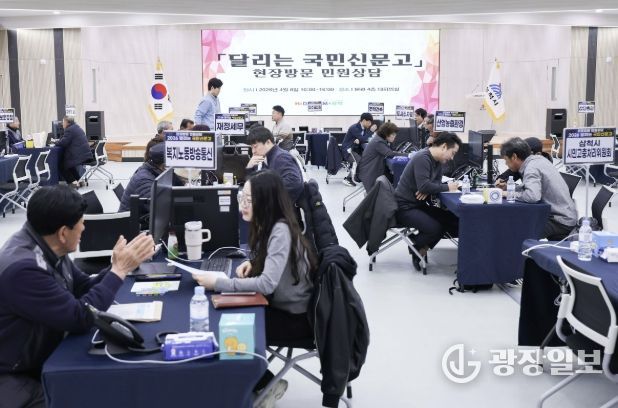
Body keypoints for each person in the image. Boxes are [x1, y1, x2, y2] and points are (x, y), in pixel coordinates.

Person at [0, 186, 155, 408]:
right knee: (80, 396)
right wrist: (119, 270)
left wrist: (116, 266)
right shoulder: (24, 270)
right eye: (81, 223)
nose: (84, 227)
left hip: (35, 357)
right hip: (12, 374)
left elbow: (82, 287)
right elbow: (80, 317)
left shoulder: (46, 243)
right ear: (63, 233)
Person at [192, 170, 317, 407]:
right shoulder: (274, 224)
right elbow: (274, 264)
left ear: (266, 202)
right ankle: (262, 381)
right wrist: (255, 262)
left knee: (227, 329)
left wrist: (218, 282)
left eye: (249, 200)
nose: (243, 204)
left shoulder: (280, 231)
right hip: (287, 307)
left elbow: (266, 283)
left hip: (297, 319)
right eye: (242, 197)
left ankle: (264, 384)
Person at [395, 132, 461, 271]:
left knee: (450, 219)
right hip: (404, 207)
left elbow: (432, 184)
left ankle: (421, 246)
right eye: (453, 153)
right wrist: (447, 187)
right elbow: (426, 186)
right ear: (444, 147)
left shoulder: (437, 161)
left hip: (418, 204)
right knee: (435, 228)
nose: (452, 157)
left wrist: (427, 188)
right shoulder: (423, 158)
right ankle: (416, 246)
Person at [499, 137, 577, 240]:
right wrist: (511, 188)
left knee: (517, 233)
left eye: (506, 160)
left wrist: (507, 194)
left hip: (560, 221)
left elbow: (532, 196)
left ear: (514, 157)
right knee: (517, 222)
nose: (506, 164)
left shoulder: (531, 168)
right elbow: (531, 188)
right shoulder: (538, 160)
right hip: (563, 214)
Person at [245, 126, 304, 203]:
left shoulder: (280, 157)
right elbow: (253, 183)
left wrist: (265, 190)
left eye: (255, 147)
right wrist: (249, 167)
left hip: (282, 206)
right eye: (252, 148)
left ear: (268, 142)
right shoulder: (266, 157)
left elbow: (294, 182)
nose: (253, 151)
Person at [357, 122, 409, 191]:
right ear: (386, 134)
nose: (395, 136)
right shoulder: (378, 142)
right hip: (369, 174)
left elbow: (388, 152)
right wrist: (409, 155)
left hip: (369, 171)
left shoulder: (379, 139)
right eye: (393, 134)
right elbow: (389, 154)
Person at [119, 142, 166, 214]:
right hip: (132, 220)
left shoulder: (152, 170)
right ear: (164, 166)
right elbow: (158, 210)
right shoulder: (144, 181)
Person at [55, 116, 93, 186]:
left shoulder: (69, 130)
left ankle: (72, 182)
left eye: (63, 122)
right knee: (69, 165)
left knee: (62, 165)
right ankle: (79, 180)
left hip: (79, 155)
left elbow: (64, 143)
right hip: (84, 154)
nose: (62, 124)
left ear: (67, 122)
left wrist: (55, 142)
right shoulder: (77, 127)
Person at [341, 113, 373, 186]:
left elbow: (363, 139)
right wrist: (371, 132)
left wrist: (360, 140)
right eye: (369, 122)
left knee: (363, 160)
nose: (370, 124)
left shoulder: (363, 128)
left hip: (354, 149)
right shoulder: (354, 128)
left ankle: (357, 177)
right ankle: (348, 179)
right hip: (348, 150)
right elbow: (363, 138)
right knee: (357, 161)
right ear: (364, 120)